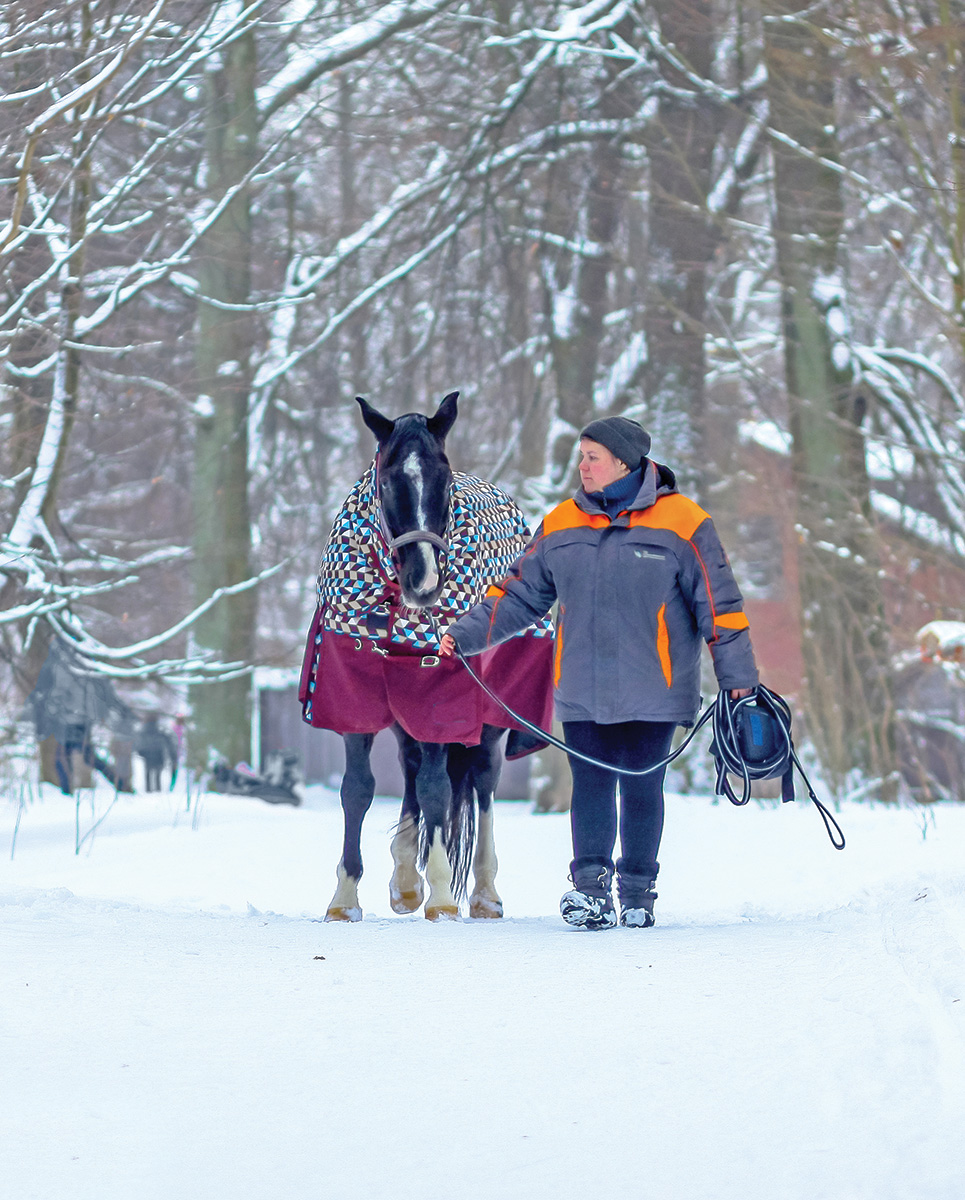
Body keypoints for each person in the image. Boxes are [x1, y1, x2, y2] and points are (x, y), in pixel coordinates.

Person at [440, 416, 758, 930]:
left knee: (641, 784)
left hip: (655, 684)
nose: (582, 466)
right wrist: (467, 633)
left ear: (624, 463)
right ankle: (589, 891)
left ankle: (637, 893)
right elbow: (520, 593)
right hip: (581, 684)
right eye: (580, 457)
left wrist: (737, 679)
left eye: (593, 457)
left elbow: (720, 605)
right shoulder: (562, 523)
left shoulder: (684, 522)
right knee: (588, 781)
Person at [134, 714, 176, 792]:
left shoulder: (144, 731)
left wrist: (140, 752)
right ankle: (157, 791)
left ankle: (148, 791)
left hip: (147, 755)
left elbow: (138, 743)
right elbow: (168, 742)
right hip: (158, 755)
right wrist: (171, 755)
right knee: (157, 775)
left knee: (148, 775)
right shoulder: (160, 730)